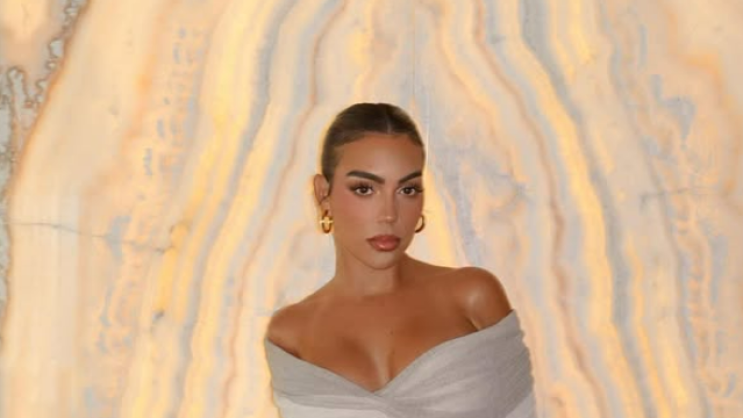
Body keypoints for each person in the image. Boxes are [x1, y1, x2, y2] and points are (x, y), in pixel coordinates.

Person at [264, 103, 536, 417]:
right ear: (323, 194)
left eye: (407, 190)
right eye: (364, 189)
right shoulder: (290, 334)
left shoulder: (472, 294)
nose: (389, 214)